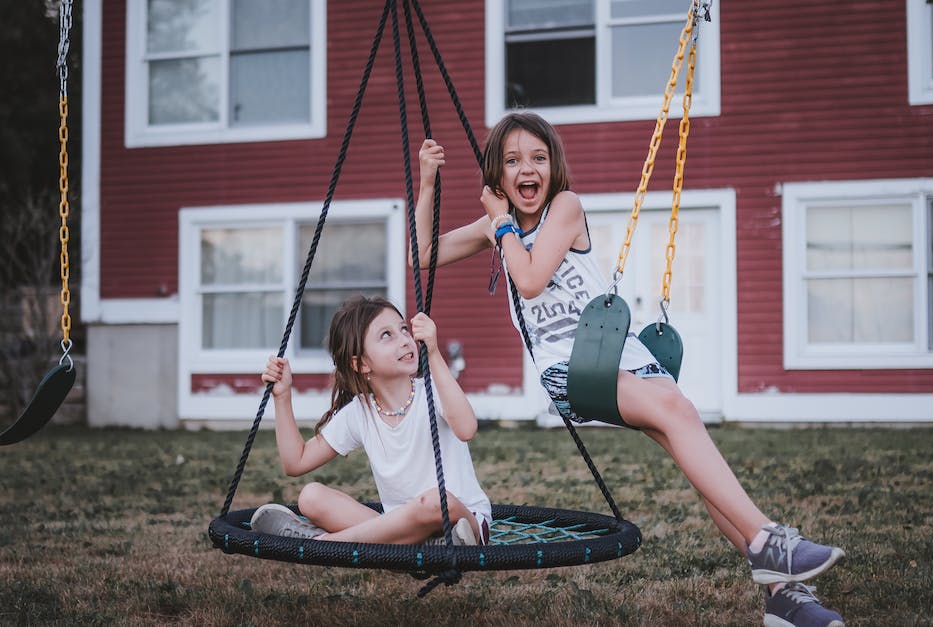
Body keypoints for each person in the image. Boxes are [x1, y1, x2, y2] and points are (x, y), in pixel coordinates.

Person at [412, 112, 845, 627]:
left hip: (621, 349)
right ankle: (769, 542)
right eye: (512, 161)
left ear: (553, 166)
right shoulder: (498, 226)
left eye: (537, 158)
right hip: (574, 371)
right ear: (497, 176)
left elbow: (527, 274)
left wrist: (500, 225)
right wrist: (427, 182)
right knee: (677, 412)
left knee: (688, 438)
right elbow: (429, 257)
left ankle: (785, 599)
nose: (526, 169)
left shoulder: (564, 208)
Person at [249, 296, 491, 548]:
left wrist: (433, 352)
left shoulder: (433, 391)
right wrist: (282, 397)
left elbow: (466, 429)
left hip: (462, 521)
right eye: (387, 335)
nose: (405, 340)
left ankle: (322, 544)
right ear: (361, 363)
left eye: (404, 329)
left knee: (434, 501)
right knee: (311, 497)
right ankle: (414, 546)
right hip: (404, 526)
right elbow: (295, 462)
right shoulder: (361, 412)